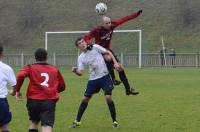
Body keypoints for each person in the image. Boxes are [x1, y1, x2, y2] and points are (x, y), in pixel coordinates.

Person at [85, 10, 142, 95]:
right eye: (107, 23)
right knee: (108, 59)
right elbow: (87, 37)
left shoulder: (112, 25)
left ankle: (127, 89)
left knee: (120, 68)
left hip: (108, 50)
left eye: (110, 22)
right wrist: (89, 44)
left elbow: (124, 19)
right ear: (103, 24)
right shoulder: (97, 30)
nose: (109, 24)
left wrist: (136, 15)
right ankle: (113, 79)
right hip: (99, 51)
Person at [70, 37, 120, 129]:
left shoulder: (95, 47)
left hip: (104, 77)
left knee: (108, 97)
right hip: (93, 79)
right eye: (80, 43)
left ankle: (115, 121)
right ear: (78, 47)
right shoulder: (81, 57)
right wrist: (75, 70)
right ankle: (77, 121)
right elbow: (80, 73)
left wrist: (115, 63)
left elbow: (108, 52)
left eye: (83, 42)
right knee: (84, 99)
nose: (82, 43)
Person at [15, 48, 66, 132]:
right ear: (46, 57)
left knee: (34, 122)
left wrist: (17, 90)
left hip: (33, 100)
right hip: (48, 100)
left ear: (35, 57)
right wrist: (53, 90)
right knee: (47, 125)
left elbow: (20, 76)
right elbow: (62, 86)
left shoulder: (30, 67)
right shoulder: (54, 69)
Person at [0, 46, 16, 132]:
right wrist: (12, 92)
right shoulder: (7, 68)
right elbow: (14, 88)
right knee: (4, 127)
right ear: (2, 53)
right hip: (1, 101)